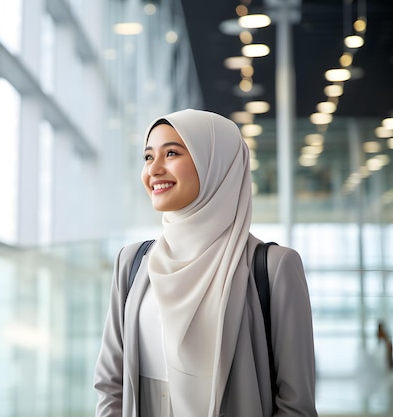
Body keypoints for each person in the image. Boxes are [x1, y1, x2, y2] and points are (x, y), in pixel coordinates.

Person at [93, 109, 317, 417]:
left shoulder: (274, 267)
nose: (153, 169)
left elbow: (296, 406)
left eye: (171, 153)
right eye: (147, 157)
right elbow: (110, 385)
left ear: (216, 163)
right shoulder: (132, 263)